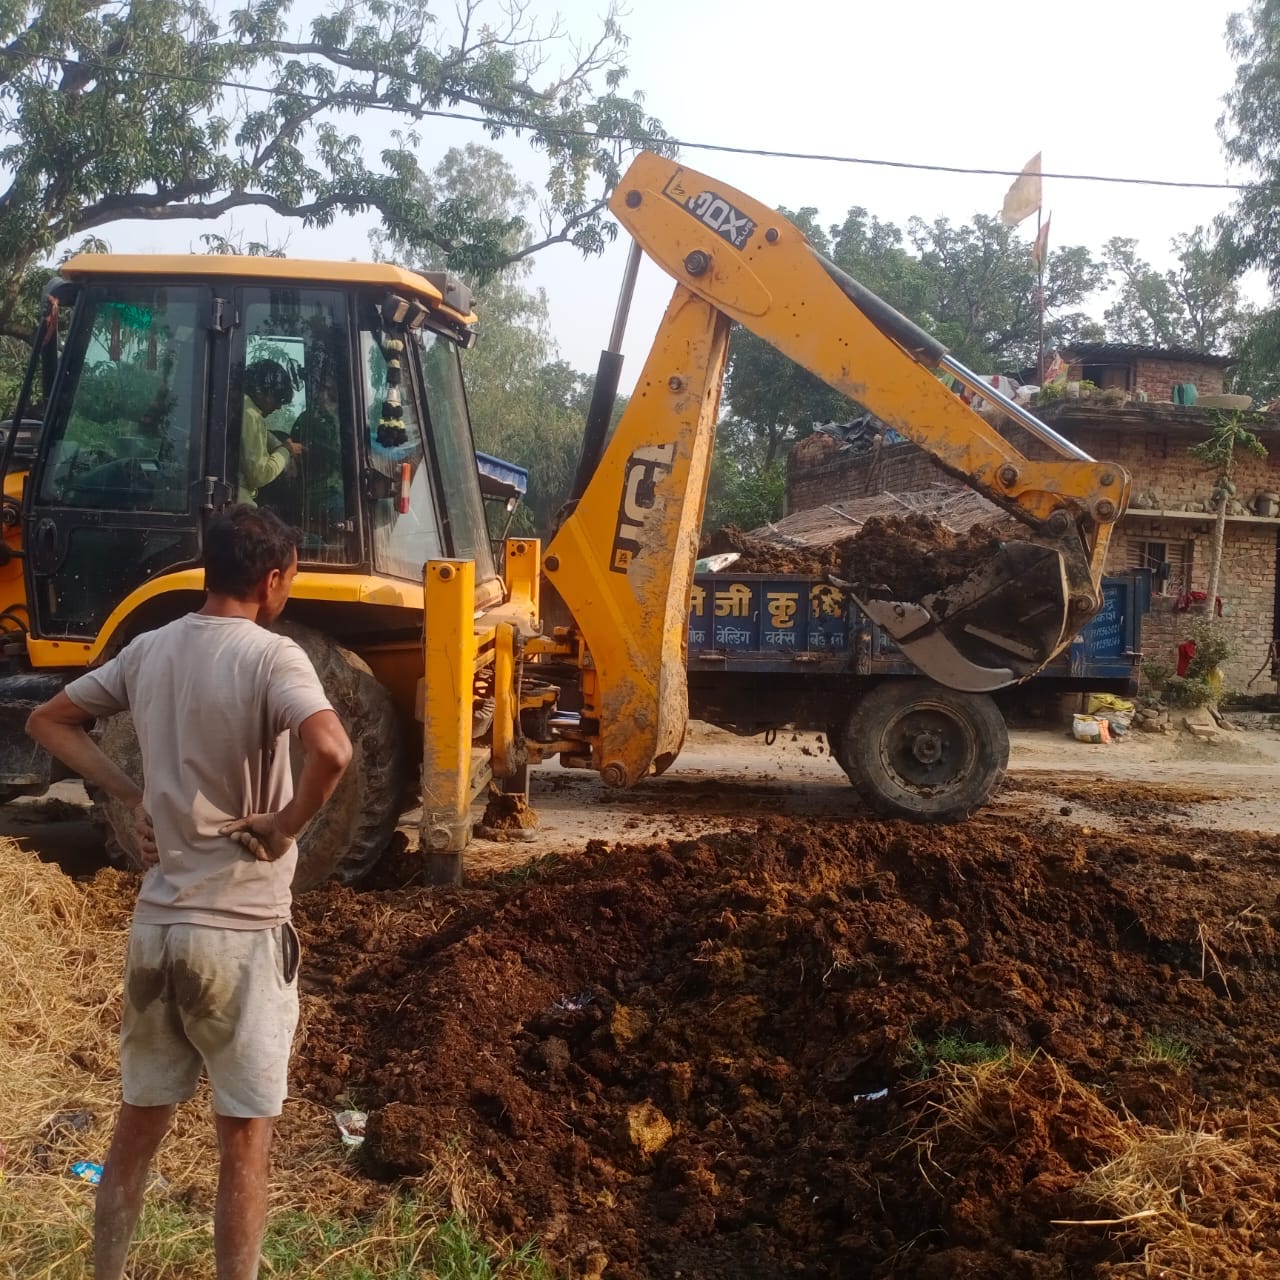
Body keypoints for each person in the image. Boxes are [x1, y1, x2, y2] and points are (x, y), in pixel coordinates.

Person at [26, 505, 353, 1280]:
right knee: (244, 1143)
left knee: (136, 1131)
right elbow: (333, 750)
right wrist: (284, 827)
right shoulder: (274, 657)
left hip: (158, 934)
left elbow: (49, 720)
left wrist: (130, 793)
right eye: (290, 576)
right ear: (272, 579)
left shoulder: (149, 649)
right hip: (238, 938)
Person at [239, 359, 303, 504]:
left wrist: (281, 446)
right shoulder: (251, 416)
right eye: (278, 398)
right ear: (260, 391)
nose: (279, 406)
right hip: (240, 500)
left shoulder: (241, 406)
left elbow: (261, 435)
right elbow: (259, 476)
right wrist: (286, 451)